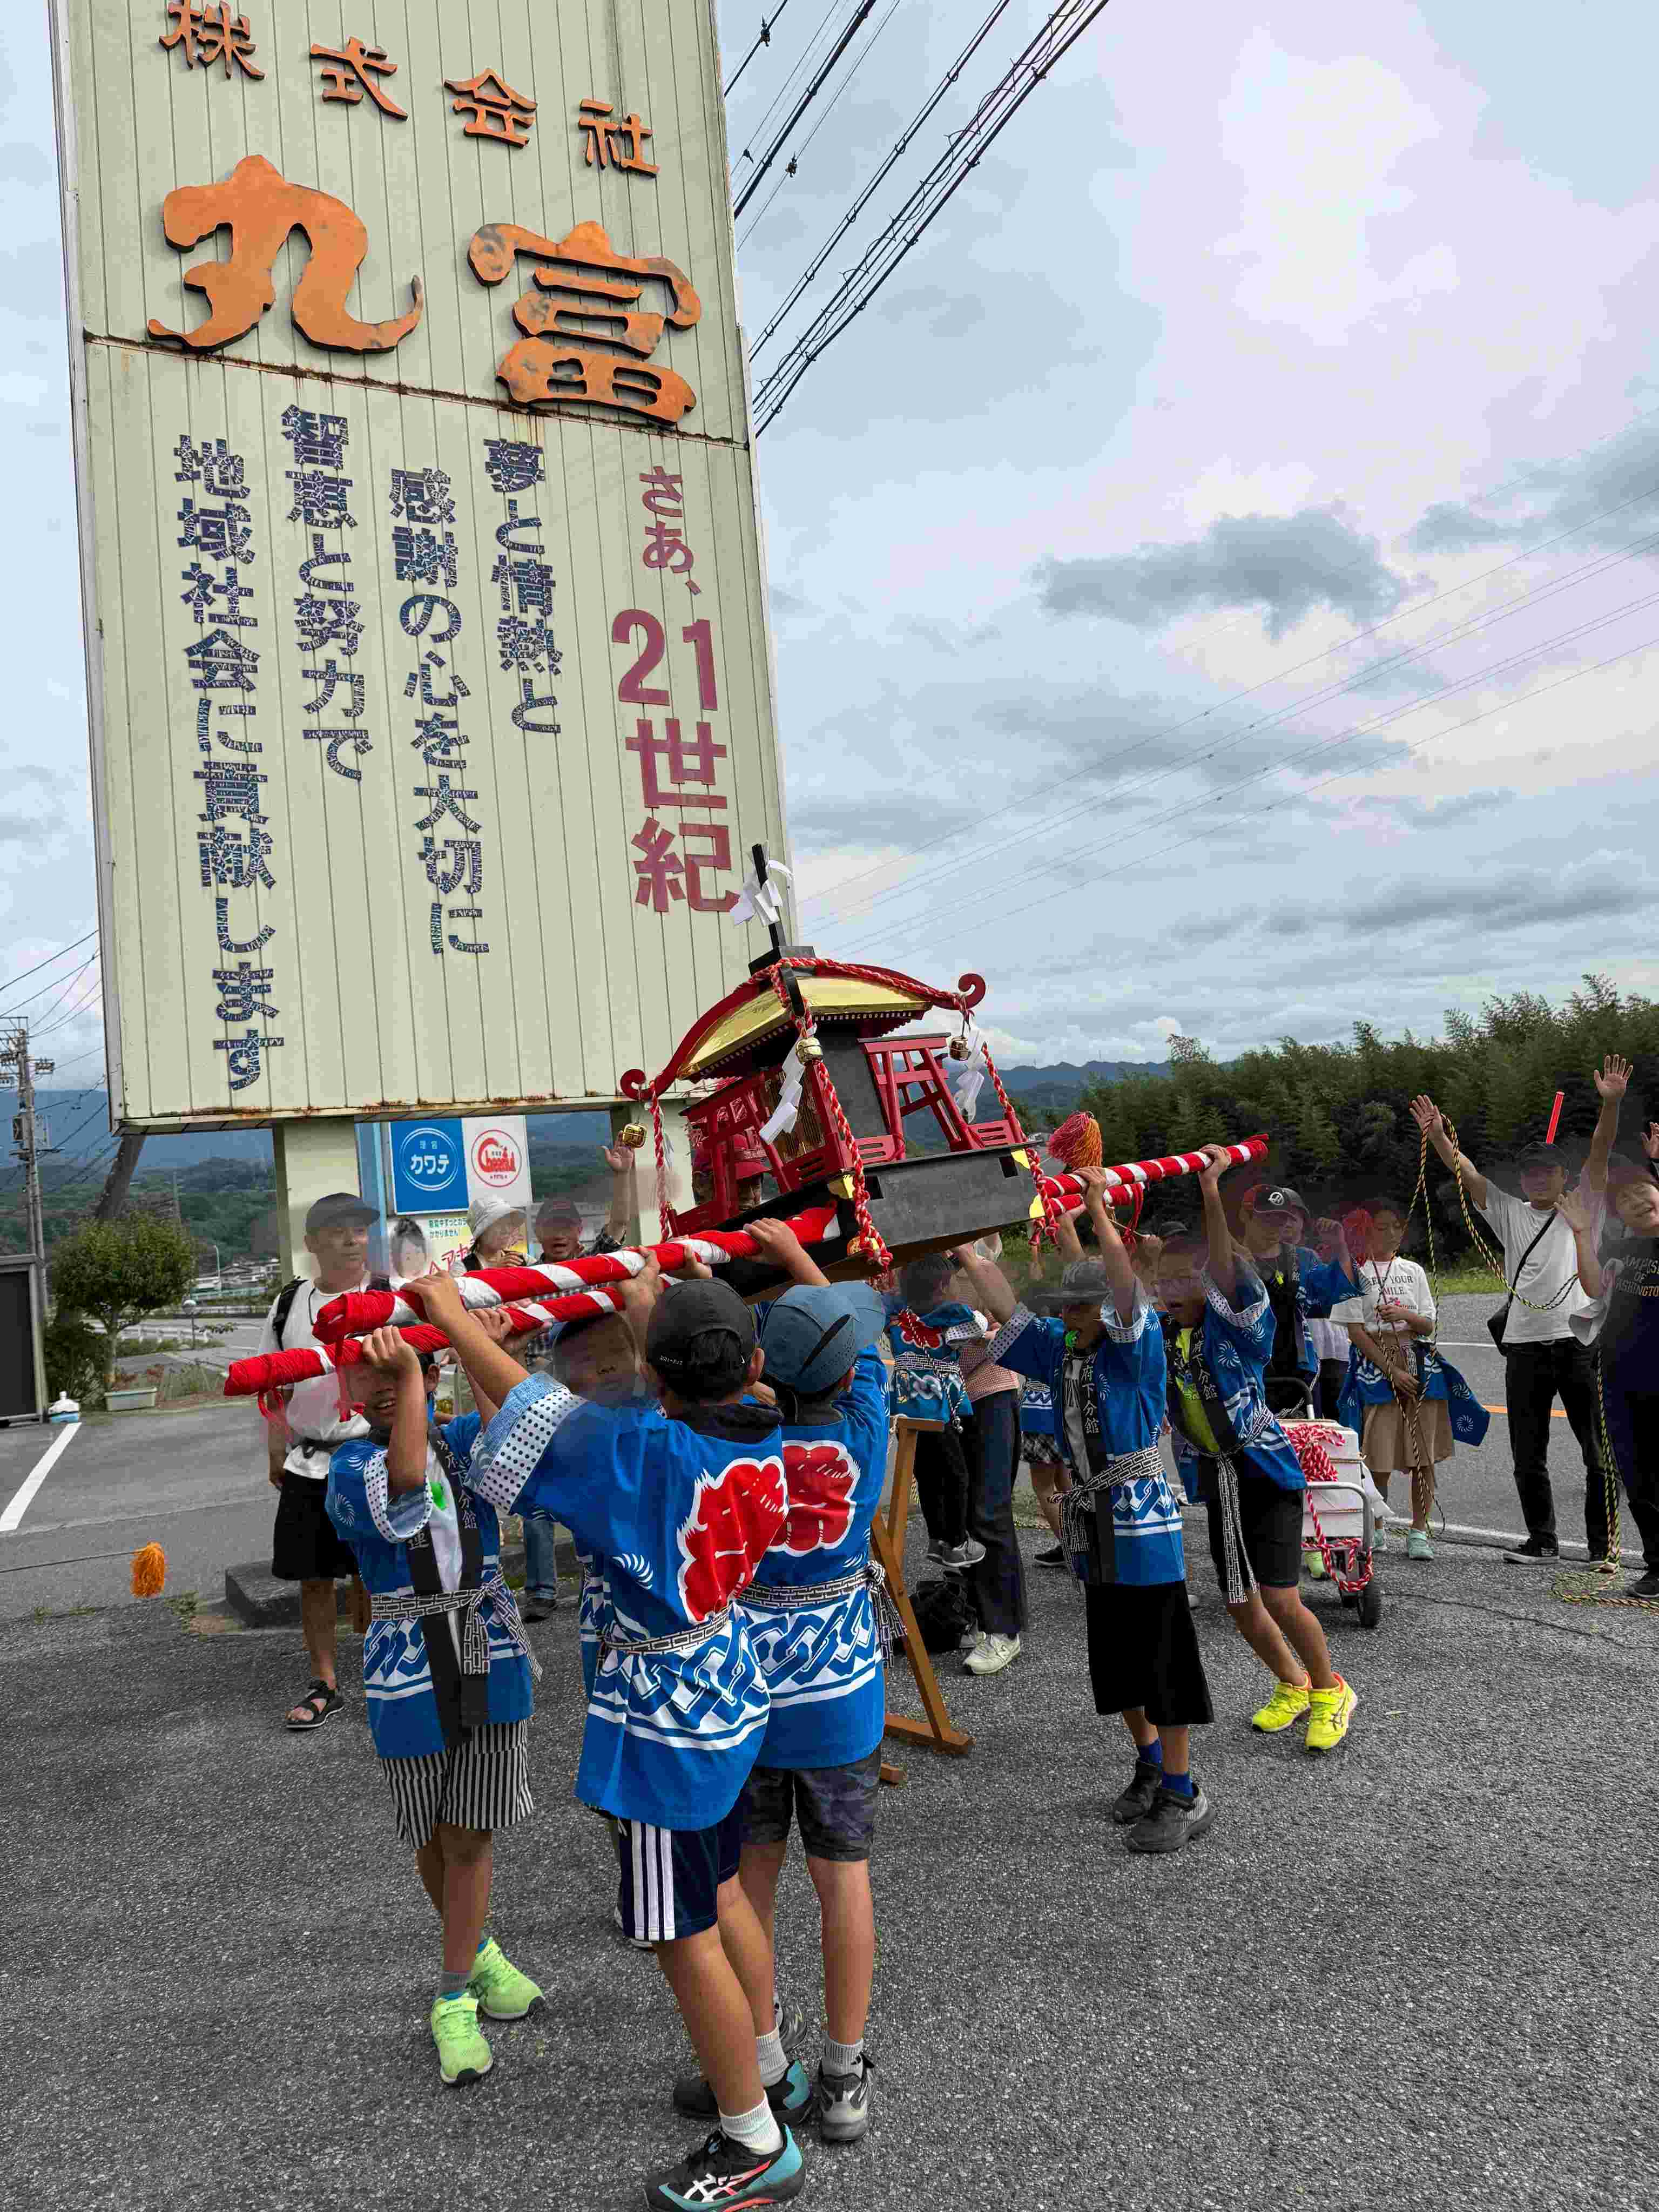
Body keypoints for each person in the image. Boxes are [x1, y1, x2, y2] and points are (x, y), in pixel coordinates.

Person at [436, 1267, 807, 2211]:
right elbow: (548, 1419)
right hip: (728, 1690)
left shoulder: (648, 1455)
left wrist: (448, 1318)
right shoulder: (766, 1427)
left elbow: (536, 1417)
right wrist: (652, 1297)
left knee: (679, 1936)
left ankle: (751, 2139)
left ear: (652, 1375)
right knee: (722, 1895)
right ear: (751, 1362)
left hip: (665, 1730)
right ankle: (766, 2068)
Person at [676, 1218, 889, 2142]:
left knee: (748, 1874)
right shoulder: (868, 1425)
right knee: (842, 1877)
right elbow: (862, 1347)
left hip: (749, 1699)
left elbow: (716, 1389)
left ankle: (758, 2058)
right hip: (841, 1695)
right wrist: (805, 1262)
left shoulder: (737, 1445)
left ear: (764, 1367)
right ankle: (843, 2075)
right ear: (844, 1376)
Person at [955, 1172, 1216, 1852]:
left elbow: (1125, 1284)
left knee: (1162, 1661)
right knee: (1117, 1661)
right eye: (1066, 1309)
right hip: (1093, 1524)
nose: (1065, 1318)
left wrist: (1100, 1208)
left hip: (1142, 1524)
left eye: (1079, 1309)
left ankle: (1184, 1793)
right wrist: (961, 1249)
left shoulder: (1135, 1350)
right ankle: (1150, 1761)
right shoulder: (1065, 1349)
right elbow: (1010, 1311)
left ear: (1108, 1310)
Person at [324, 1323, 546, 2087]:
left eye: (398, 1369)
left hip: (488, 1644)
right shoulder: (348, 1468)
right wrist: (418, 1373)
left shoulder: (459, 1436)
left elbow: (518, 1436)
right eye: (367, 1372)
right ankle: (476, 1957)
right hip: (407, 1659)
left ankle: (453, 1992)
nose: (384, 1385)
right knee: (433, 1826)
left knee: (470, 1832)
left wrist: (470, 1342)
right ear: (344, 1387)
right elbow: (408, 1494)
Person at [1158, 1144, 1357, 1755]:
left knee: (1279, 1595)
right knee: (1240, 1602)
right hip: (1219, 1476)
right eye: (1163, 1278)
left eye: (1183, 1278)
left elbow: (1224, 1266)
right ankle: (1291, 1683)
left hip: (1266, 1470)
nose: (1169, 1287)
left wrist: (1211, 1193)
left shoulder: (1240, 1322)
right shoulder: (1164, 1336)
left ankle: (1331, 1688)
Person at [1411, 1093, 1607, 1567]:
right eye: (1531, 1172)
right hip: (1523, 1346)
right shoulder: (1510, 1212)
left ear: (1566, 1177)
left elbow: (1600, 1155)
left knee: (1597, 1451)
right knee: (1527, 1451)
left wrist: (1611, 1104)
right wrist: (1438, 1136)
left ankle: (1604, 1548)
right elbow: (1469, 1174)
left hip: (1579, 1342)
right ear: (1522, 1179)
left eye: (1548, 1171)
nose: (1539, 1179)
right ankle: (1542, 1542)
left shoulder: (1585, 1208)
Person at [260, 1191, 381, 1732]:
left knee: (380, 1572)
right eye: (338, 1230)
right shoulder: (289, 1303)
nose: (352, 1239)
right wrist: (274, 1446)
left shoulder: (387, 1296)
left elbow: (422, 1374)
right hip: (309, 1461)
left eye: (359, 1229)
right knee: (312, 1576)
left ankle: (386, 1675)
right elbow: (269, 1380)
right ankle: (325, 1682)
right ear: (312, 1243)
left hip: (374, 1453)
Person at [1560, 1154, 1659, 1597]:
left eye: (1644, 1190)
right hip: (1621, 1378)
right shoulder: (1622, 1249)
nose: (1638, 1200)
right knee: (1636, 1474)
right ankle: (1657, 1564)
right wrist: (1582, 1232)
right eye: (1627, 1198)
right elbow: (1594, 1287)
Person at [1331, 1199, 1451, 1560]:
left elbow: (1429, 1324)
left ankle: (1419, 1532)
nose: (1389, 1234)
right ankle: (1378, 1527)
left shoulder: (1413, 1271)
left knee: (1423, 1455)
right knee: (1377, 1455)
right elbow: (1355, 1332)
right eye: (1380, 1227)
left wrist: (1405, 1315)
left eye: (1395, 1227)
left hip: (1418, 1359)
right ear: (1365, 1231)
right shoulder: (1352, 1273)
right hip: (1377, 1364)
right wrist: (1391, 1370)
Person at [883, 1254, 985, 1573]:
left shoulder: (897, 1317)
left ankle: (937, 1538)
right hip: (940, 1406)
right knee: (956, 1474)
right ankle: (956, 1543)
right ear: (943, 1286)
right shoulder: (951, 1320)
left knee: (926, 1475)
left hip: (906, 1406)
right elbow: (980, 1325)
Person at [1235, 1182, 1360, 1416]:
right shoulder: (1231, 1261)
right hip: (1246, 1373)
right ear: (1246, 1216)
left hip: (1300, 1372)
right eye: (1267, 1217)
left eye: (1282, 1218)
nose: (1276, 1225)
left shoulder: (1304, 1259)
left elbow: (1341, 1296)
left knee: (1307, 1445)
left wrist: (1340, 1247)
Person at [534, 1143, 639, 1262]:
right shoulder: (525, 1277)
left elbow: (619, 1224)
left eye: (566, 1227)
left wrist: (622, 1174)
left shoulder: (591, 1264)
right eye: (552, 1228)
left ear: (579, 1230)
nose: (559, 1235)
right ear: (538, 1233)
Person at [458, 1195, 527, 1273]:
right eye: (498, 1224)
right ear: (482, 1232)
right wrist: (495, 1273)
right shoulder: (461, 1268)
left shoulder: (523, 1259)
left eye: (508, 1223)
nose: (506, 1230)